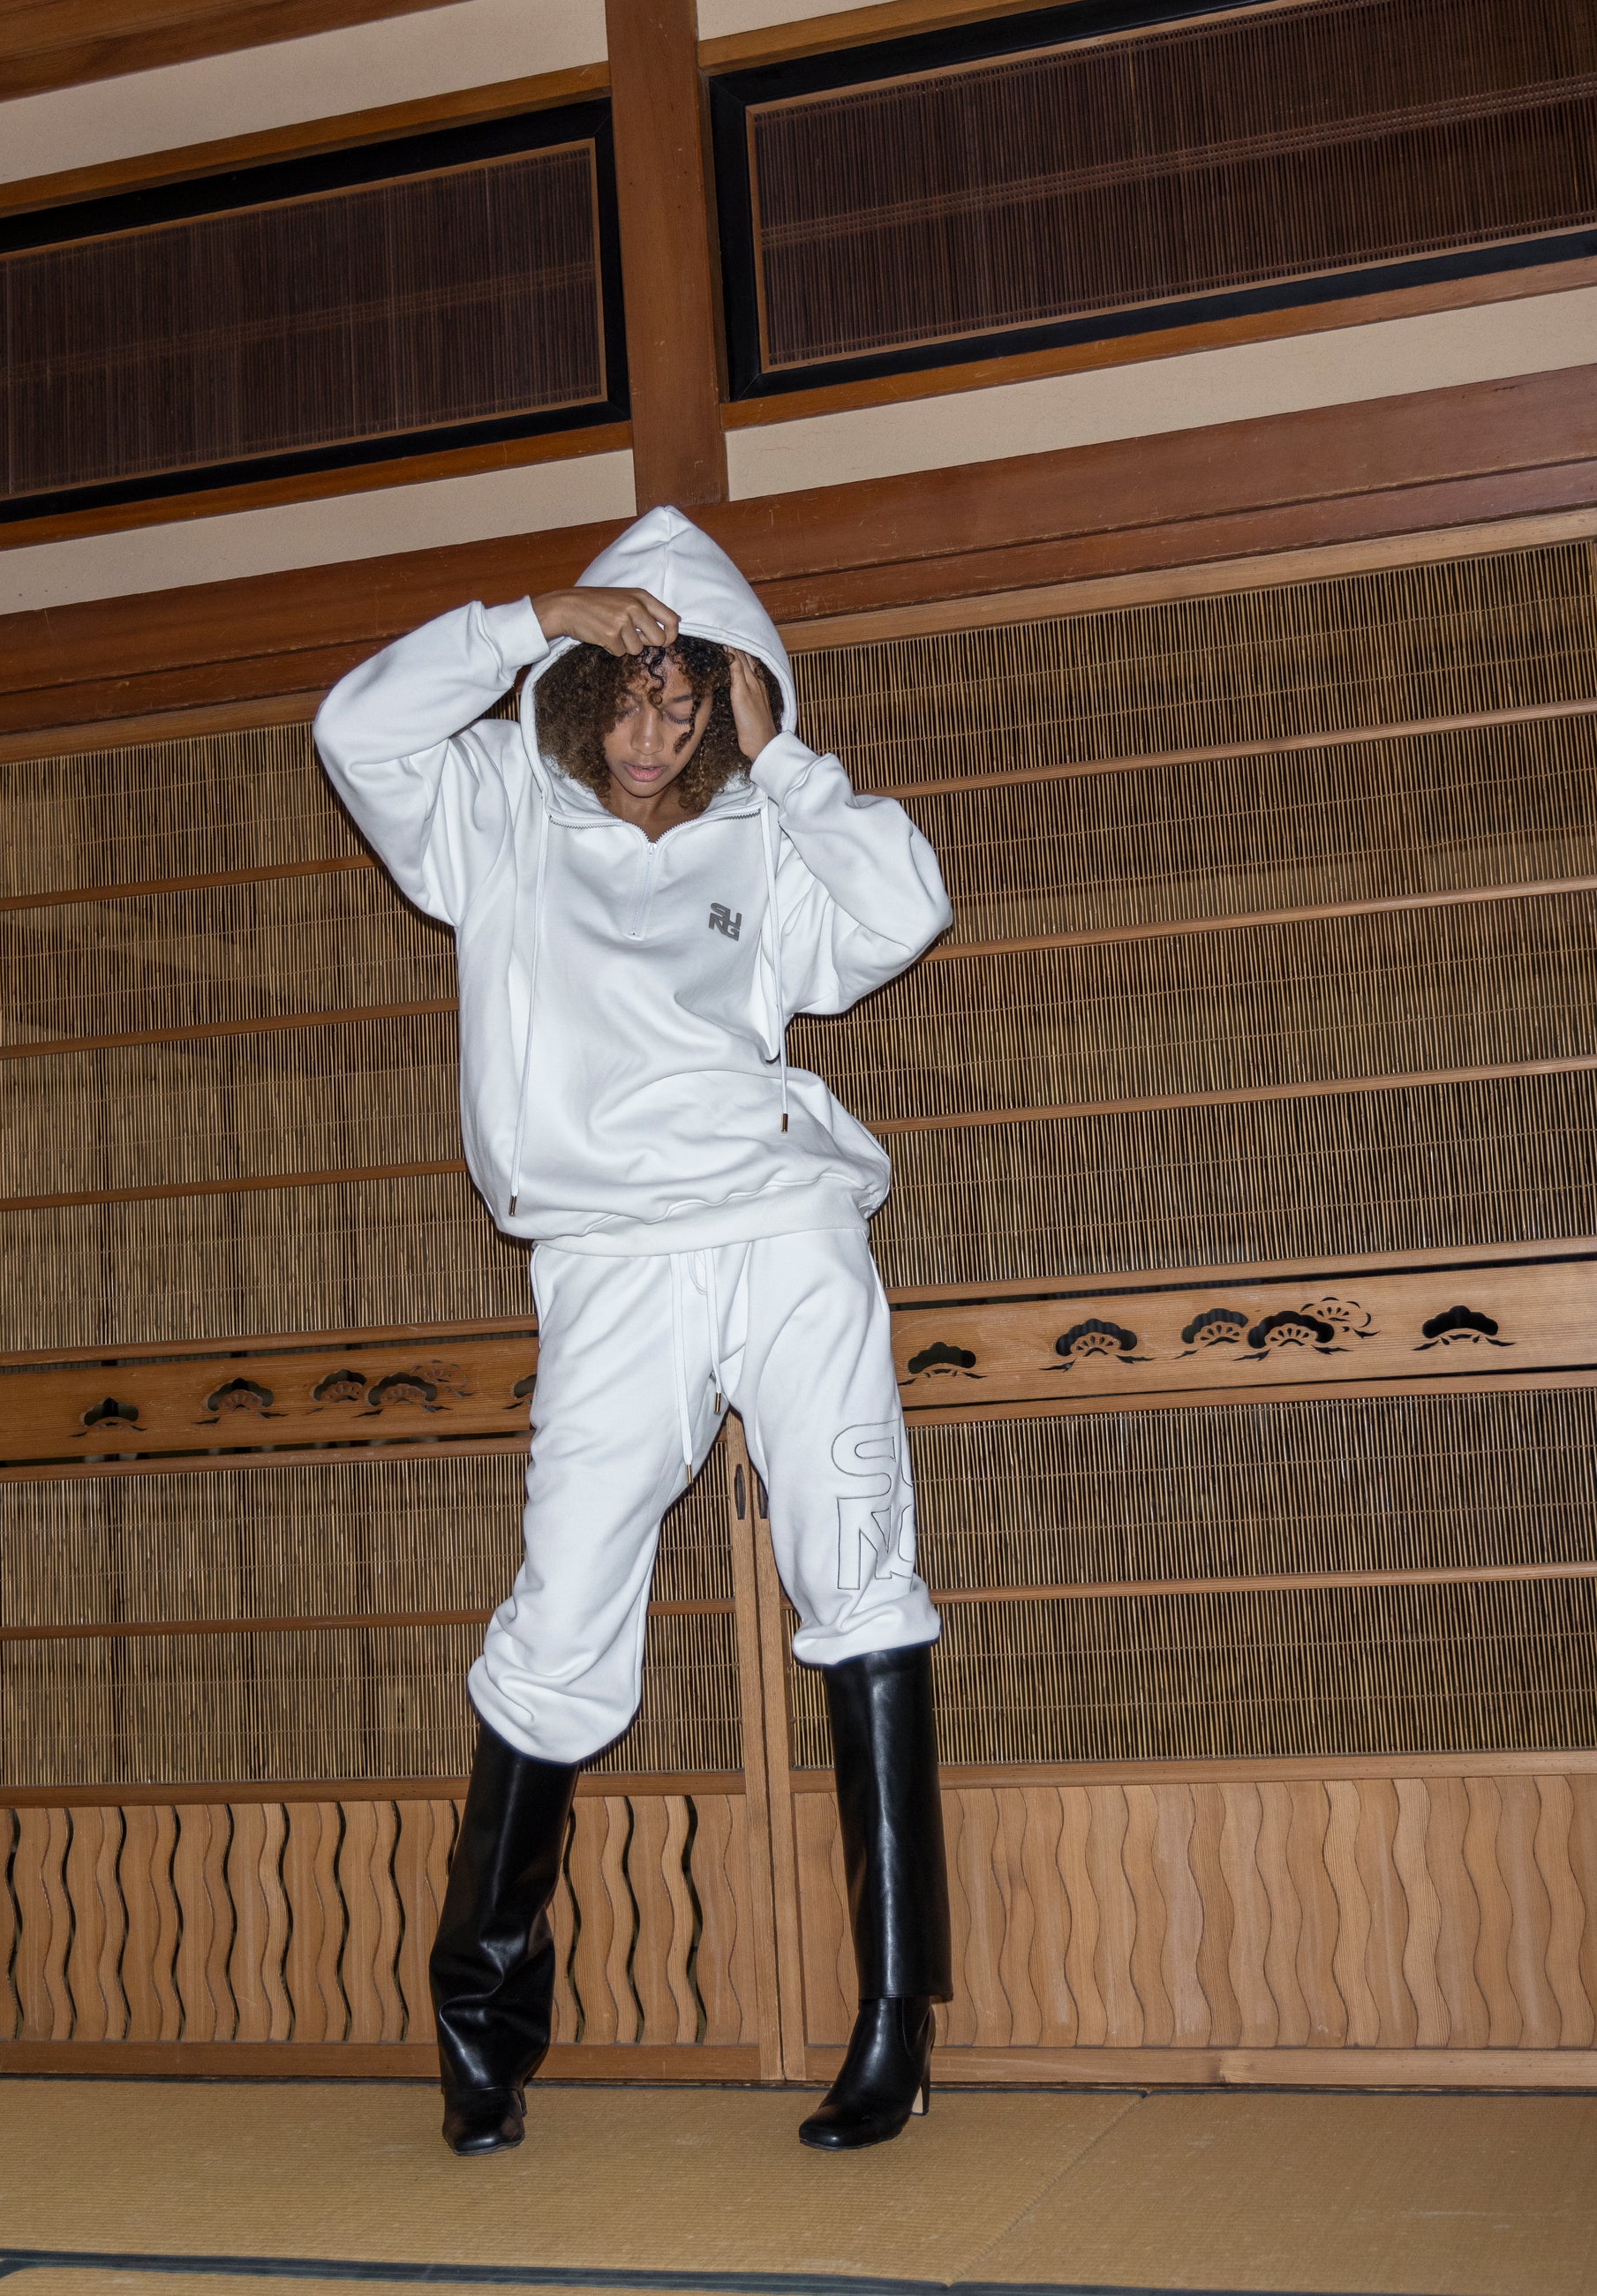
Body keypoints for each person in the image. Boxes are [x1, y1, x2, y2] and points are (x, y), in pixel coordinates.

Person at [313, 503, 953, 2157]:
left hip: (785, 1228)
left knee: (859, 1567)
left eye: (686, 700)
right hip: (606, 1256)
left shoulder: (762, 834)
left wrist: (784, 758)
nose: (653, 732)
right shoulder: (490, 813)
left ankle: (895, 2024)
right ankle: (479, 2013)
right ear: (578, 689)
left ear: (730, 698)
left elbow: (902, 909)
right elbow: (354, 726)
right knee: (564, 1602)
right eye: (628, 693)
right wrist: (533, 612)